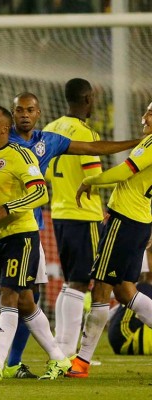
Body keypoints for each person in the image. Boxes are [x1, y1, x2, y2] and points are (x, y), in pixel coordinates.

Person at [0, 91, 140, 379]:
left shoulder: (44, 143)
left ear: (37, 113)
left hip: (27, 230)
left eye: (30, 110)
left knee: (15, 294)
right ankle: (58, 357)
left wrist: (139, 143)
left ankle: (3, 361)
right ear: (12, 115)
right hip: (8, 231)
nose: (25, 114)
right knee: (25, 298)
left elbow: (92, 149)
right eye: (19, 109)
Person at [0, 105, 70, 381]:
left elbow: (39, 194)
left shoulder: (19, 155)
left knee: (8, 295)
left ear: (3, 129)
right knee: (25, 301)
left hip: (21, 234)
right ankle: (59, 359)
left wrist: (7, 208)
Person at [67, 100, 152, 378]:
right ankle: (82, 361)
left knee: (101, 289)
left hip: (126, 222)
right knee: (124, 291)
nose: (144, 117)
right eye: (146, 111)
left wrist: (91, 180)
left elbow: (124, 171)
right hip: (134, 221)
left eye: (151, 113)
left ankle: (82, 362)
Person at [43, 78, 111, 358]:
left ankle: (61, 347)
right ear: (88, 98)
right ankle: (68, 353)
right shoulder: (86, 134)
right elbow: (93, 178)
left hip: (58, 212)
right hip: (84, 214)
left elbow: (42, 172)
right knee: (82, 283)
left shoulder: (50, 129)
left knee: (72, 281)